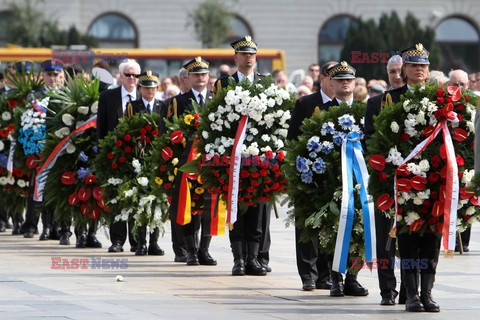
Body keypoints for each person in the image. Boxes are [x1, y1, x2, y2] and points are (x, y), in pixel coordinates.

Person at [215, 36, 270, 276]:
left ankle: (253, 259)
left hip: (257, 157)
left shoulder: (264, 82)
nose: (248, 57)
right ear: (235, 57)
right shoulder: (223, 84)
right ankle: (238, 258)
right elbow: (214, 118)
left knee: (257, 208)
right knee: (235, 205)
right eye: (244, 54)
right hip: (232, 156)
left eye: (252, 54)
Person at [287, 61, 336, 291]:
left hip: (336, 176)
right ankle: (308, 274)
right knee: (307, 225)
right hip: (308, 176)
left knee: (331, 224)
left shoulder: (346, 106)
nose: (341, 83)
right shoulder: (306, 103)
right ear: (324, 78)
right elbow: (292, 139)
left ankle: (326, 275)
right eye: (336, 77)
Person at [164, 57, 216, 266]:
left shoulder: (216, 100)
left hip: (211, 163)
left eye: (203, 74)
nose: (200, 78)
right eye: (196, 75)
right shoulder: (179, 102)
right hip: (185, 163)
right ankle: (191, 250)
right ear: (189, 77)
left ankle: (204, 250)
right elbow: (167, 133)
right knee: (188, 206)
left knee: (208, 207)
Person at [97, 59, 141, 253]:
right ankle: (117, 240)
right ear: (120, 76)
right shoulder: (108, 97)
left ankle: (137, 240)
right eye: (128, 75)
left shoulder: (143, 95)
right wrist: (104, 153)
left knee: (137, 197)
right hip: (115, 156)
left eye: (135, 75)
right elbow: (101, 128)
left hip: (138, 157)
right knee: (116, 198)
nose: (132, 79)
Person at [22, 59, 64, 241]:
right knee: (36, 187)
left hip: (58, 149)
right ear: (43, 75)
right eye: (49, 74)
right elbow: (25, 122)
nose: (52, 78)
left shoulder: (66, 95)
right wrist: (31, 147)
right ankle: (31, 225)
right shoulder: (34, 96)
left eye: (56, 74)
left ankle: (52, 227)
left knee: (55, 188)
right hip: (38, 149)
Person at [126, 70, 166, 256]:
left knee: (157, 201)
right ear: (140, 88)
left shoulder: (162, 106)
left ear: (158, 88)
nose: (150, 91)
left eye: (153, 87)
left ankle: (154, 242)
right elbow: (126, 130)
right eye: (146, 87)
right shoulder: (132, 107)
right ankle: (140, 242)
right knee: (139, 201)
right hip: (138, 159)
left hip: (157, 159)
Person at [448, 69, 471, 252]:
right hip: (448, 154)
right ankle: (450, 237)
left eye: (461, 84)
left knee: (466, 198)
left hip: (468, 158)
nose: (458, 87)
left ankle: (464, 238)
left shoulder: (473, 105)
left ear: (468, 85)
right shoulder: (444, 104)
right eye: (454, 84)